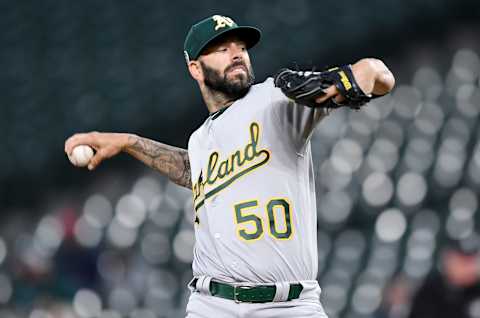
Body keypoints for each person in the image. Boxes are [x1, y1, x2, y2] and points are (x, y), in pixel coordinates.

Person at [65, 14, 395, 318]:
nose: (236, 53)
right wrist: (129, 142)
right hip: (212, 304)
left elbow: (377, 73)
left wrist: (347, 83)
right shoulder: (200, 138)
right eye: (221, 49)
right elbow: (193, 171)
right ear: (195, 69)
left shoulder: (277, 99)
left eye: (240, 47)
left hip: (290, 305)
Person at [407, 234, 480, 318]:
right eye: (462, 260)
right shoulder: (429, 291)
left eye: (470, 261)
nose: (467, 267)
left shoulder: (476, 292)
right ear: (448, 259)